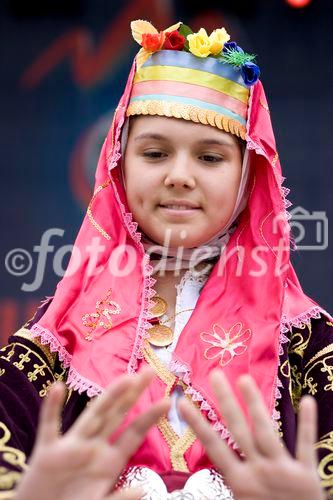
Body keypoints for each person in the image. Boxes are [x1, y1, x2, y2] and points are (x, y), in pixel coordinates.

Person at [1, 19, 332, 499]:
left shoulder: (306, 344)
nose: (179, 175)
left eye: (211, 157)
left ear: (247, 180)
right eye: (155, 153)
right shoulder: (55, 345)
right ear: (118, 165)